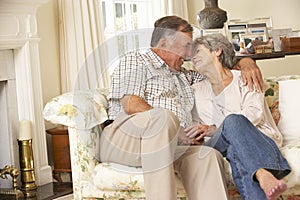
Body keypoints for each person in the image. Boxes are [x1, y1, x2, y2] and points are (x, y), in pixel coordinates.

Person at [99, 15, 263, 200]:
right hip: (125, 141)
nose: (189, 53)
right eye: (186, 45)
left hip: (170, 145)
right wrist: (175, 130)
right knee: (164, 118)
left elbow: (219, 70)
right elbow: (130, 103)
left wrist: (245, 62)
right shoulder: (136, 61)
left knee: (207, 155)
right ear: (163, 44)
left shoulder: (186, 76)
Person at [187, 33, 291, 200]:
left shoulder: (245, 77)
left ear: (217, 51)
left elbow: (254, 113)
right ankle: (263, 173)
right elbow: (194, 123)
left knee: (235, 145)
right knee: (232, 122)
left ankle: (261, 175)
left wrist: (214, 128)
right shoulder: (195, 89)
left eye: (198, 51)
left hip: (257, 137)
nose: (193, 57)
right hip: (216, 142)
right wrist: (197, 134)